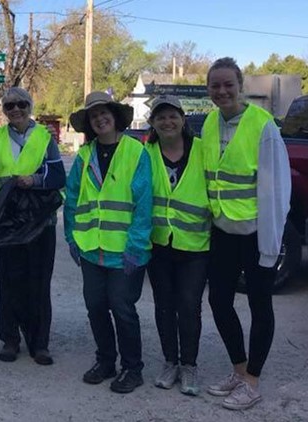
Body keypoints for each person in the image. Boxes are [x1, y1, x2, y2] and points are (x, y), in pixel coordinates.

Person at [201, 57, 290, 410]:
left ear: (240, 86)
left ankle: (253, 381)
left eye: (228, 84)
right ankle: (239, 369)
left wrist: (270, 244)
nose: (221, 91)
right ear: (208, 89)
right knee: (219, 301)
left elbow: (276, 191)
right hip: (223, 230)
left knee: (259, 304)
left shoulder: (262, 126)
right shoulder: (209, 123)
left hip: (255, 233)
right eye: (215, 85)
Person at [64, 91, 152, 393]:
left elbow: (143, 204)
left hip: (125, 250)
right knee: (96, 307)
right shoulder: (85, 155)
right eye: (93, 115)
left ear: (115, 117)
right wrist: (72, 237)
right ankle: (105, 361)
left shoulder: (135, 152)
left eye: (104, 113)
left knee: (122, 308)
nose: (100, 119)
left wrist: (136, 246)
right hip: (92, 249)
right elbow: (72, 199)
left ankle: (133, 367)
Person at [0, 87, 66, 365]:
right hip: (8, 217)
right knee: (9, 280)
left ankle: (39, 343)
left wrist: (35, 180)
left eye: (21, 104)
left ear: (30, 106)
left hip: (40, 219)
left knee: (38, 282)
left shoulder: (44, 137)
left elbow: (57, 175)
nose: (15, 110)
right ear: (3, 111)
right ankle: (10, 339)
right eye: (9, 106)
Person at [144, 95, 210, 396]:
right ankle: (170, 362)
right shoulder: (146, 153)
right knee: (164, 306)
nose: (167, 122)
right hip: (159, 244)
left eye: (173, 116)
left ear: (183, 120)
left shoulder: (203, 150)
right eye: (160, 117)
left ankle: (190, 365)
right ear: (153, 124)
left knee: (189, 306)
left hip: (195, 245)